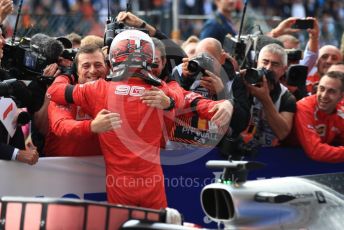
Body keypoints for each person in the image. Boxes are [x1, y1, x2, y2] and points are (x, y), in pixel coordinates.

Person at [44, 44, 121, 156]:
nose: (93, 70)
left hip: (102, 166)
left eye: (98, 65)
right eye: (86, 66)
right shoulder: (62, 93)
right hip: (61, 168)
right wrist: (92, 126)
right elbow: (61, 126)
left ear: (107, 68)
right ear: (76, 71)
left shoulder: (117, 90)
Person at [0, 0, 39, 165]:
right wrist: (16, 153)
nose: (3, 42)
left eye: (2, 36)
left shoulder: (5, 76)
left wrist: (26, 139)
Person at [241, 43, 296, 149]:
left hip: (269, 155)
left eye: (275, 64)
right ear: (256, 63)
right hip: (236, 152)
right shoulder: (242, 83)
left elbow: (282, 133)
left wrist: (265, 99)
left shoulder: (286, 97)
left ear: (284, 70)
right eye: (265, 62)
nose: (268, 68)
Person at [293, 71, 344, 162]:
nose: (324, 95)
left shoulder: (341, 113)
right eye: (321, 89)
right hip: (285, 160)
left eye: (331, 91)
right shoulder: (305, 107)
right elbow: (315, 151)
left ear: (341, 96)